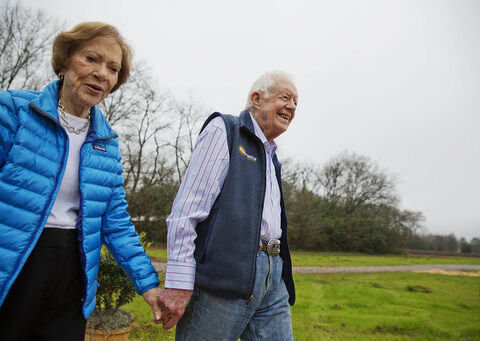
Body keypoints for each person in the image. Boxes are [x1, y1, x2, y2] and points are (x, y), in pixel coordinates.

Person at [0, 22, 161, 341]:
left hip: (73, 271)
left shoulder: (106, 141)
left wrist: (149, 286)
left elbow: (115, 222)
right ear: (64, 61)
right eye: (91, 59)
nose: (102, 73)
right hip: (15, 262)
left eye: (113, 68)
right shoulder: (14, 110)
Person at [158, 71, 298, 340]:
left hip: (273, 277)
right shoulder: (225, 130)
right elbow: (186, 212)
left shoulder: (272, 156)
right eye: (285, 97)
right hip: (223, 278)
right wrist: (178, 282)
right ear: (257, 99)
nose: (292, 106)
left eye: (296, 102)